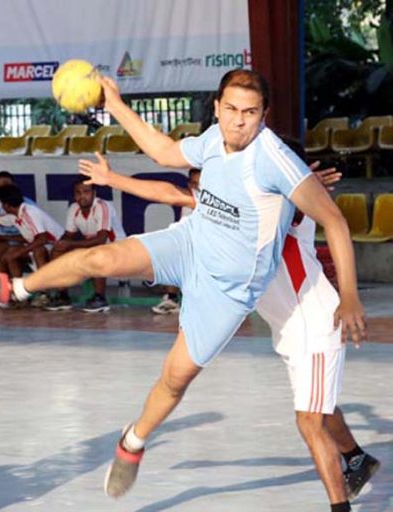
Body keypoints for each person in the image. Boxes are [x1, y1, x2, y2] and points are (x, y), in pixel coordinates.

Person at [0, 69, 366, 509]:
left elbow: (335, 221)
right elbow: (162, 151)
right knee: (102, 258)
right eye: (230, 109)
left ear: (263, 115)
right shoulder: (215, 138)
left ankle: (132, 441)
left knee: (174, 380)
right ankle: (12, 288)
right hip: (191, 243)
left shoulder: (274, 159)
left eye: (250, 113)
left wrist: (349, 296)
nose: (238, 121)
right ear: (216, 107)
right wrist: (114, 105)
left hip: (226, 292)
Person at [82, 137, 380, 507]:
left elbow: (324, 215)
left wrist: (350, 294)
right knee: (319, 402)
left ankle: (341, 505)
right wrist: (114, 179)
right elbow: (173, 195)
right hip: (288, 329)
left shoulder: (291, 203)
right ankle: (356, 459)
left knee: (309, 420)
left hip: (315, 322)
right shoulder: (240, 208)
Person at [46, 180, 124, 312]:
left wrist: (71, 244)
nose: (82, 196)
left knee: (96, 252)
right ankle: (63, 296)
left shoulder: (102, 206)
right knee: (57, 251)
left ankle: (100, 298)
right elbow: (69, 234)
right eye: (78, 192)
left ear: (94, 193)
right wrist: (60, 244)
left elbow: (101, 239)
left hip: (116, 248)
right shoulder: (74, 208)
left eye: (86, 192)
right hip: (93, 246)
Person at [0, 184, 65, 308]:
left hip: (56, 247)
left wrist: (20, 252)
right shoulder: (16, 216)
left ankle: (45, 293)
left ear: (6, 205)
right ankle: (19, 295)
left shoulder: (29, 213)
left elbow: (42, 239)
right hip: (44, 245)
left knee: (35, 251)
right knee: (11, 254)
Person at [151, 168, 200, 315]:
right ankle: (171, 298)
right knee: (174, 251)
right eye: (195, 184)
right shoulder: (188, 204)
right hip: (198, 244)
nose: (198, 188)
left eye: (202, 183)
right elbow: (185, 229)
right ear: (189, 185)